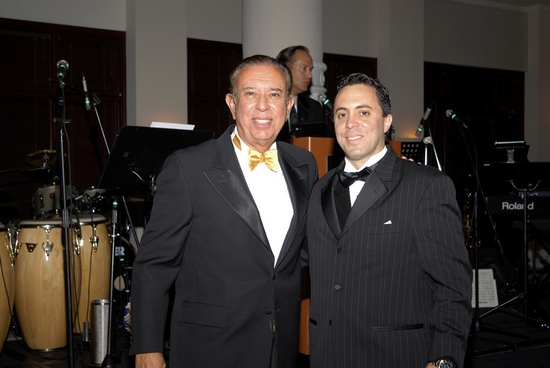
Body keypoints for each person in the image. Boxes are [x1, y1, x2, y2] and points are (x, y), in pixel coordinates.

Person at [129, 55, 318, 368]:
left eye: (274, 95)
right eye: (250, 93)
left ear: (288, 105)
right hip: (211, 348)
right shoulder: (188, 167)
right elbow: (153, 265)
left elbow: (310, 246)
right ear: (232, 103)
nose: (262, 106)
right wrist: (147, 348)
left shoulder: (304, 164)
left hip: (281, 346)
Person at [306, 73, 472, 368]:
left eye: (364, 112)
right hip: (327, 356)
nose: (350, 123)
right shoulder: (320, 188)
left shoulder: (425, 186)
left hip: (396, 356)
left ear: (386, 122)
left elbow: (452, 287)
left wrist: (443, 360)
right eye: (341, 114)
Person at [276, 45, 325, 141]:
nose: (310, 75)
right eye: (304, 68)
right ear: (285, 69)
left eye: (310, 70)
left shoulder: (314, 108)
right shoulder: (269, 104)